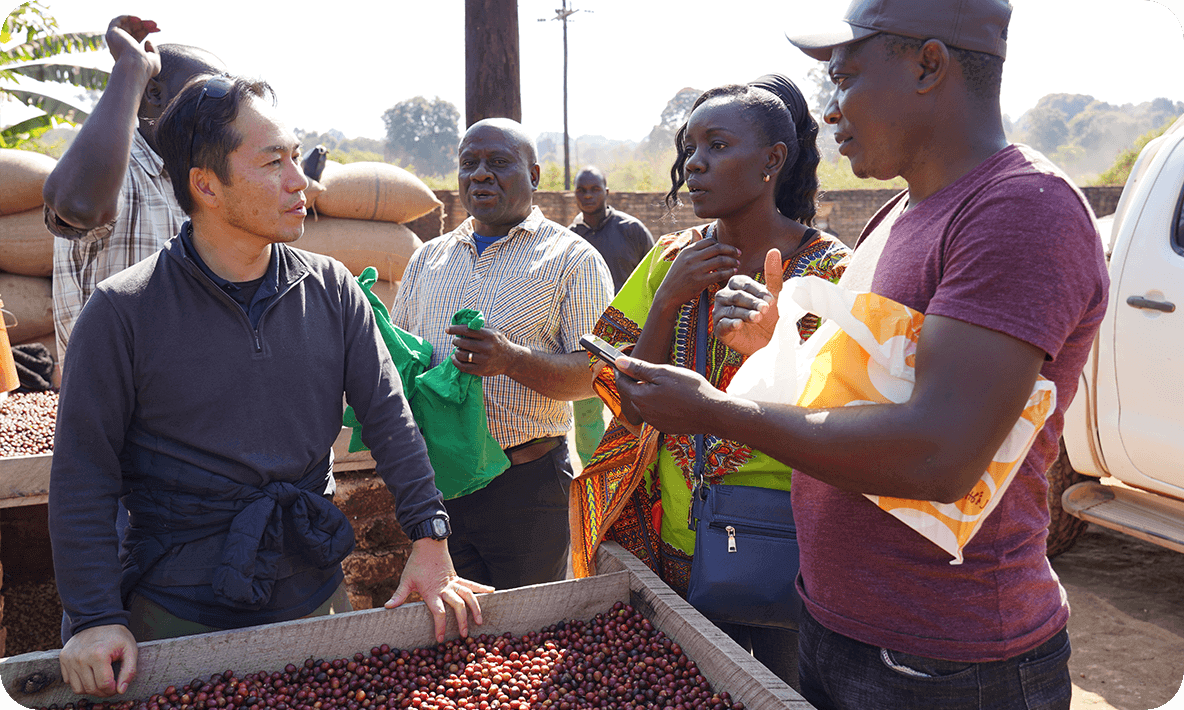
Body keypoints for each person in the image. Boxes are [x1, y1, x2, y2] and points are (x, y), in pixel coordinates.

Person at [610, 1, 1110, 708]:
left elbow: (937, 455)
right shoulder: (901, 214)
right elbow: (867, 397)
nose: (832, 111)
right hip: (840, 623)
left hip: (945, 658)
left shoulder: (1018, 211)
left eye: (844, 80)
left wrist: (715, 411)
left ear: (928, 64)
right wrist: (774, 353)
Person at [49, 74, 491, 699]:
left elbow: (391, 420)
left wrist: (430, 537)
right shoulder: (124, 312)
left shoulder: (332, 290)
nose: (299, 181)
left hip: (311, 589)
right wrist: (95, 618)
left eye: (295, 156)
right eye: (273, 162)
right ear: (204, 184)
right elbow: (82, 477)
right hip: (178, 607)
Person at [570, 75, 849, 689]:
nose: (694, 164)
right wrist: (668, 299)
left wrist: (777, 340)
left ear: (773, 160)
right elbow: (617, 390)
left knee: (786, 692)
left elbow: (848, 415)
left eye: (717, 146)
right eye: (689, 148)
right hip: (668, 538)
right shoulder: (671, 258)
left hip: (781, 543)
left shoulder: (830, 271)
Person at [390, 118, 614, 590]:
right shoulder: (427, 260)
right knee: (454, 636)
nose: (480, 175)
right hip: (441, 487)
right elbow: (403, 362)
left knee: (526, 642)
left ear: (533, 174)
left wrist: (511, 360)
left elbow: (597, 374)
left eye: (497, 162)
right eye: (468, 163)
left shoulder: (573, 259)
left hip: (526, 489)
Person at [42, 15, 224, 367]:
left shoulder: (197, 187)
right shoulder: (118, 174)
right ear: (153, 94)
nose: (222, 115)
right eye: (207, 96)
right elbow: (76, 205)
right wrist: (131, 69)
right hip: (119, 412)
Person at [568, 166, 655, 466]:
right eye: (582, 190)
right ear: (574, 194)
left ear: (607, 191)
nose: (588, 195)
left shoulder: (630, 230)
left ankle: (639, 470)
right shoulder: (570, 238)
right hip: (591, 339)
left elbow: (654, 279)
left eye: (594, 189)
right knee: (588, 412)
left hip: (634, 337)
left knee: (637, 406)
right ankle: (596, 474)